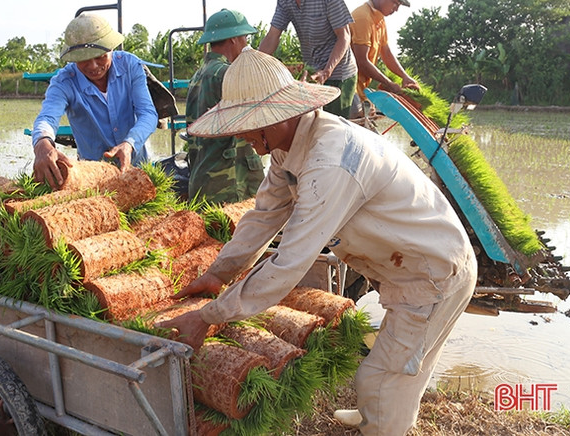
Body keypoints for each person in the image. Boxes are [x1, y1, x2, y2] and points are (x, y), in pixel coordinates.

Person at [156, 47, 477, 436]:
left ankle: (383, 425)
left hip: (433, 270)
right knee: (398, 362)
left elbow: (289, 263)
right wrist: (219, 273)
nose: (241, 135)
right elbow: (263, 217)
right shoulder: (285, 148)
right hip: (401, 266)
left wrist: (206, 316)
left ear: (280, 117)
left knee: (389, 373)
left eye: (247, 124)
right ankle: (377, 414)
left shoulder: (330, 160)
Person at [31, 13, 158, 187]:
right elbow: (47, 117)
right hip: (91, 178)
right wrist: (42, 143)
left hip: (136, 169)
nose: (93, 66)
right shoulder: (64, 82)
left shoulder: (130, 66)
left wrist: (129, 144)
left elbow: (148, 113)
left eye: (100, 57)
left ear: (111, 48)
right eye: (83, 60)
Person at [258, 0, 357, 118]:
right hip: (312, 75)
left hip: (338, 75)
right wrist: (255, 65)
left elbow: (344, 37)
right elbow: (273, 36)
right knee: (312, 129)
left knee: (334, 131)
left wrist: (327, 71)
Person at [185, 9, 265, 204]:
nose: (246, 44)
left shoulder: (200, 75)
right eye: (245, 38)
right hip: (229, 184)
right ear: (233, 40)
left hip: (204, 179)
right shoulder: (227, 75)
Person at [350, 0, 421, 117]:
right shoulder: (363, 17)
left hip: (361, 89)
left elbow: (386, 52)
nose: (396, 9)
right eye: (395, 3)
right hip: (349, 88)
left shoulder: (379, 20)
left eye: (399, 5)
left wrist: (404, 77)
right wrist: (389, 83)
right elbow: (361, 61)